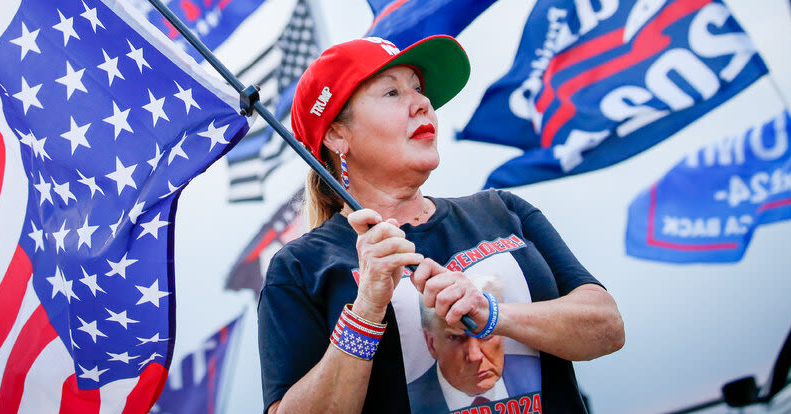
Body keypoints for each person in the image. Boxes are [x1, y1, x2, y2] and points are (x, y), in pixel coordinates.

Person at [257, 35, 624, 414]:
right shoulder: (300, 267)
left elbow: (608, 328)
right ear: (337, 134)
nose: (422, 103)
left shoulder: (502, 210)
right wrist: (366, 309)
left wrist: (492, 313)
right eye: (392, 93)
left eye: (418, 88)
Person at [408, 274, 541, 412]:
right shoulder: (406, 397)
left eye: (486, 334)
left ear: (503, 332)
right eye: (455, 338)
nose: (474, 356)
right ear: (431, 343)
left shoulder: (538, 371)